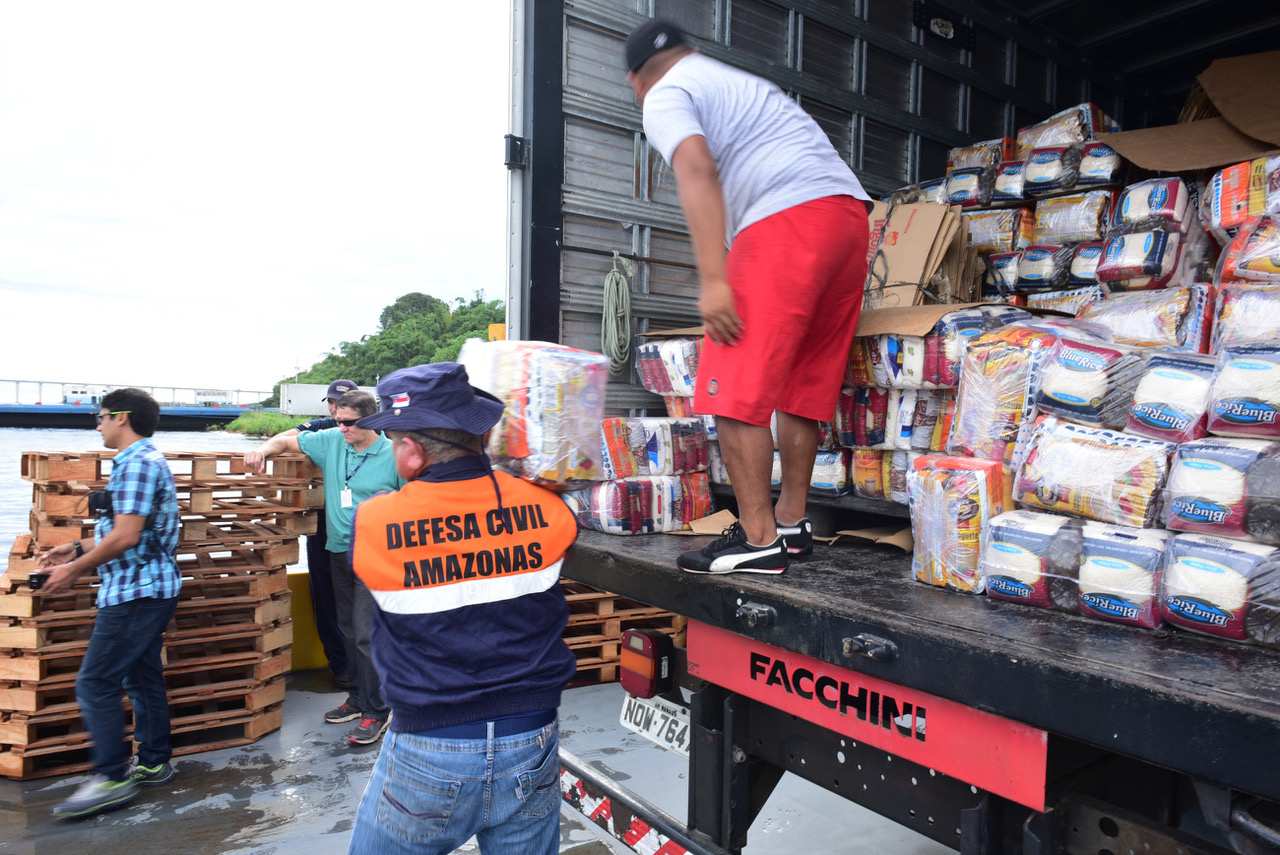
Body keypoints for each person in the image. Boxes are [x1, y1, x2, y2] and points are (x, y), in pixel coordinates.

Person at [625, 20, 873, 575]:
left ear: (635, 79)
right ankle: (790, 523)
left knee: (732, 385)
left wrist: (715, 279)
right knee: (801, 387)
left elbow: (696, 168)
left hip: (783, 221)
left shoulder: (664, 92)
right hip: (848, 218)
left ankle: (758, 540)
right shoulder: (739, 82)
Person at [344, 362, 578, 855]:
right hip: (531, 736)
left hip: (430, 746)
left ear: (411, 451)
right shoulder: (550, 509)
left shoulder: (377, 520)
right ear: (484, 433)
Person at [38, 388, 181, 818]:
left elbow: (127, 536)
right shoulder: (142, 460)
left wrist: (71, 573)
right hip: (148, 588)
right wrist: (74, 551)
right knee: (141, 676)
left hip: (136, 592)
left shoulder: (137, 463)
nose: (97, 424)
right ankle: (154, 762)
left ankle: (111, 778)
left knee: (95, 681)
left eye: (99, 416)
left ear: (121, 417)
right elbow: (125, 527)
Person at [244, 389, 402, 744]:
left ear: (371, 420)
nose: (341, 427)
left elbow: (416, 501)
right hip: (339, 550)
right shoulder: (332, 440)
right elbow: (287, 444)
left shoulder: (394, 454)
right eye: (338, 421)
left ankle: (378, 710)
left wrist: (389, 504)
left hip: (377, 556)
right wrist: (262, 450)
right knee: (346, 629)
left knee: (365, 634)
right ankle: (359, 699)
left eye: (348, 422)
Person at [269, 378, 360, 691]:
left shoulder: (377, 432)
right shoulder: (321, 429)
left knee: (364, 601)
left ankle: (371, 671)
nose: (337, 409)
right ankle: (342, 666)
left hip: (365, 524)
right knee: (326, 596)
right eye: (333, 403)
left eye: (344, 404)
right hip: (324, 522)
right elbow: (283, 439)